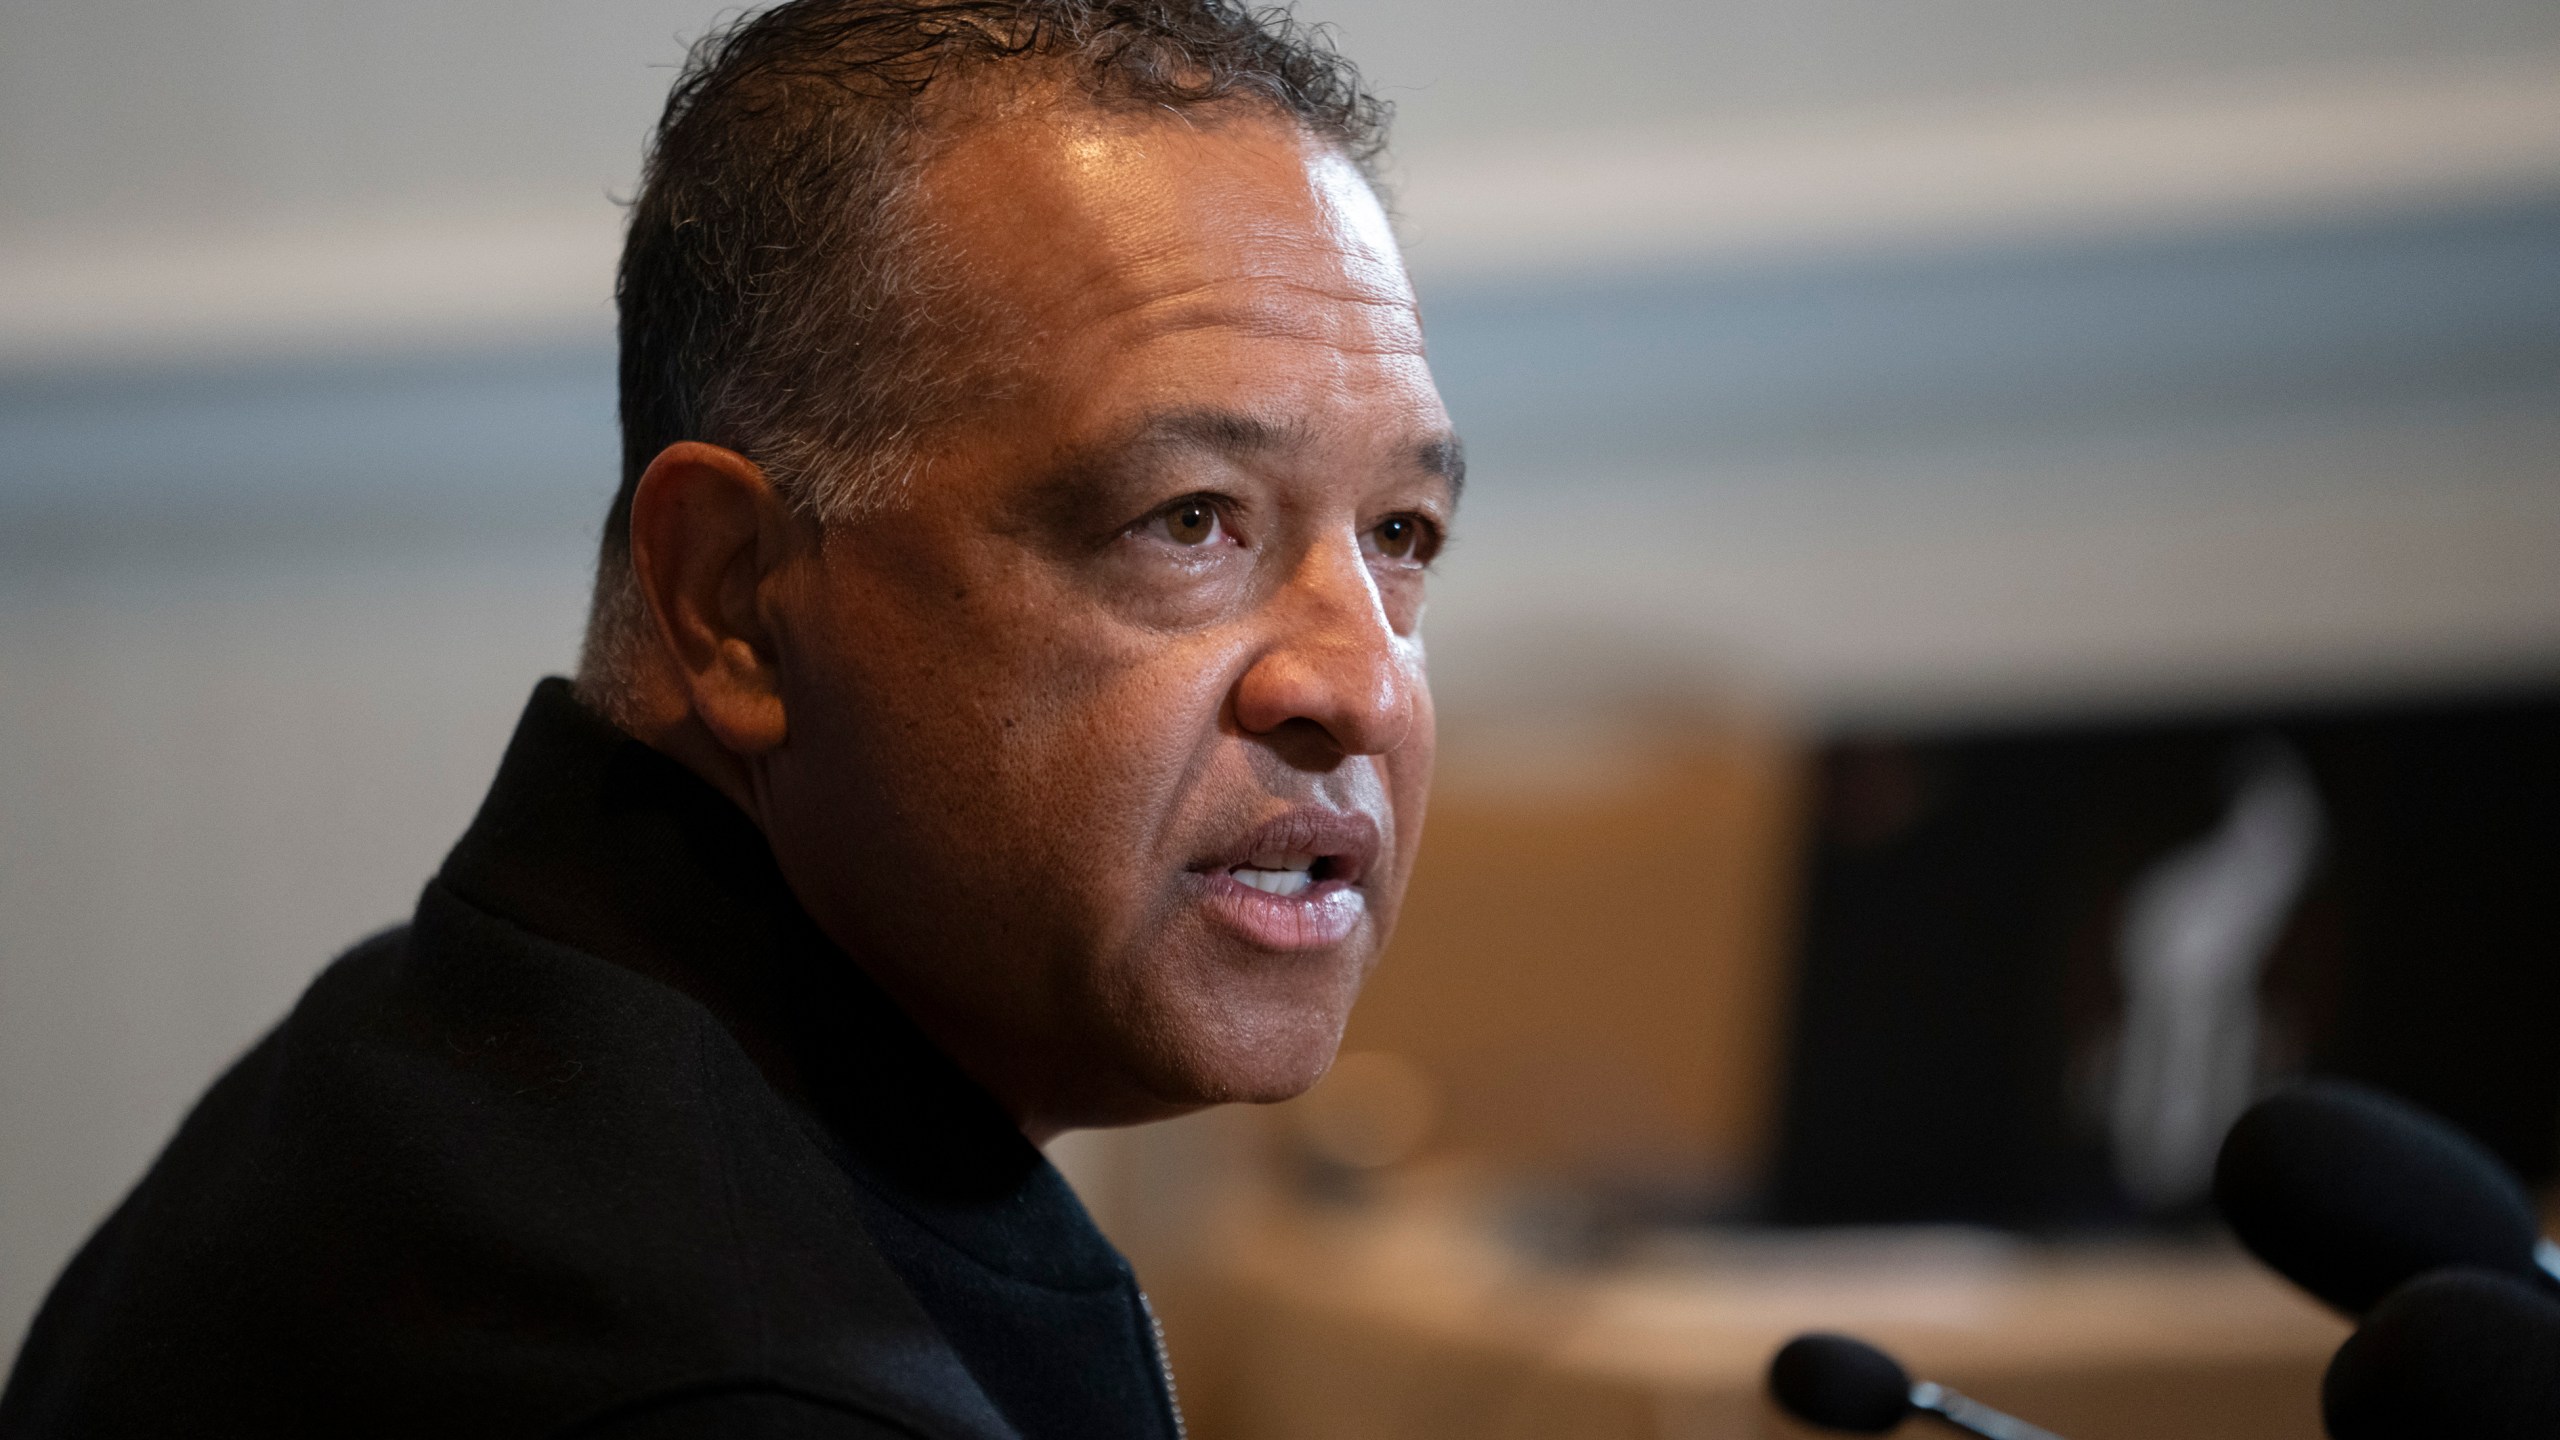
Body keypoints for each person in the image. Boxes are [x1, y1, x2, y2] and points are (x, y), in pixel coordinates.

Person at [0, 2, 1460, 1436]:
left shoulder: (433, 1056)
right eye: (1189, 520)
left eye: (1401, 533)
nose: (1365, 686)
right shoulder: (739, 1383)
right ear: (732, 599)